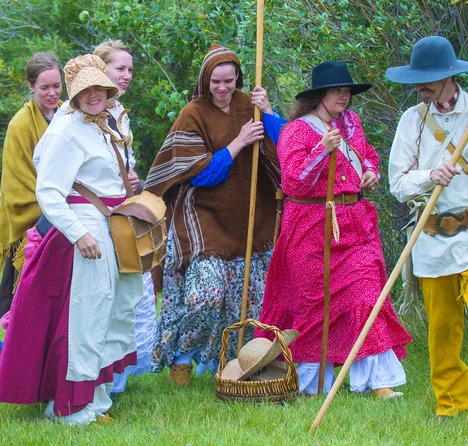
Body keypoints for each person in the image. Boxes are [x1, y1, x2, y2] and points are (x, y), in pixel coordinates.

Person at [386, 36, 468, 435]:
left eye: (426, 80)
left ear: (450, 76)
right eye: (417, 80)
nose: (419, 87)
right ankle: (450, 404)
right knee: (443, 325)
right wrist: (430, 176)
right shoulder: (412, 119)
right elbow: (397, 183)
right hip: (430, 233)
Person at [0, 54, 143, 425]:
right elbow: (48, 191)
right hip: (86, 226)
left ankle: (93, 398)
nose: (94, 95)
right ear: (75, 94)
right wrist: (79, 233)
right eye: (85, 90)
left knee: (112, 310)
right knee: (87, 315)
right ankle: (68, 406)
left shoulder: (99, 123)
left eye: (99, 87)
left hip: (110, 223)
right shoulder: (66, 129)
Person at [255, 61, 412, 397]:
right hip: (311, 226)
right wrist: (321, 150)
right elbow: (293, 180)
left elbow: (367, 155)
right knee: (314, 307)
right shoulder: (297, 130)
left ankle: (378, 382)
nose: (344, 96)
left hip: (355, 223)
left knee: (367, 296)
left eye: (347, 91)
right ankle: (312, 383)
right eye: (337, 91)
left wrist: (371, 172)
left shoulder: (352, 124)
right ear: (320, 96)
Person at [145, 44, 284, 385]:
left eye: (229, 81)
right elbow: (201, 175)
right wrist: (237, 143)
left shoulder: (250, 106)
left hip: (251, 218)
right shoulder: (193, 113)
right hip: (205, 220)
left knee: (249, 305)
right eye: (216, 82)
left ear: (238, 78)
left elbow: (285, 150)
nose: (223, 88)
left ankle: (232, 364)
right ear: (206, 81)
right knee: (205, 297)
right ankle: (181, 358)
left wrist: (268, 113)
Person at [93, 39, 155, 395]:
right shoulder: (86, 112)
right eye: (120, 68)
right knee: (107, 294)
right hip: (98, 215)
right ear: (101, 70)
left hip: (123, 214)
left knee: (135, 293)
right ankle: (99, 375)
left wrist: (135, 180)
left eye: (130, 69)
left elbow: (123, 167)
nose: (127, 75)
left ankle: (119, 374)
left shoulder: (120, 112)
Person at [0, 53, 62, 319]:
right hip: (35, 223)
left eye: (56, 86)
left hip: (66, 215)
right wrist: (58, 206)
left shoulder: (67, 114)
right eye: (44, 87)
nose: (52, 93)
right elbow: (17, 188)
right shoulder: (20, 125)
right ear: (31, 86)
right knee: (27, 310)